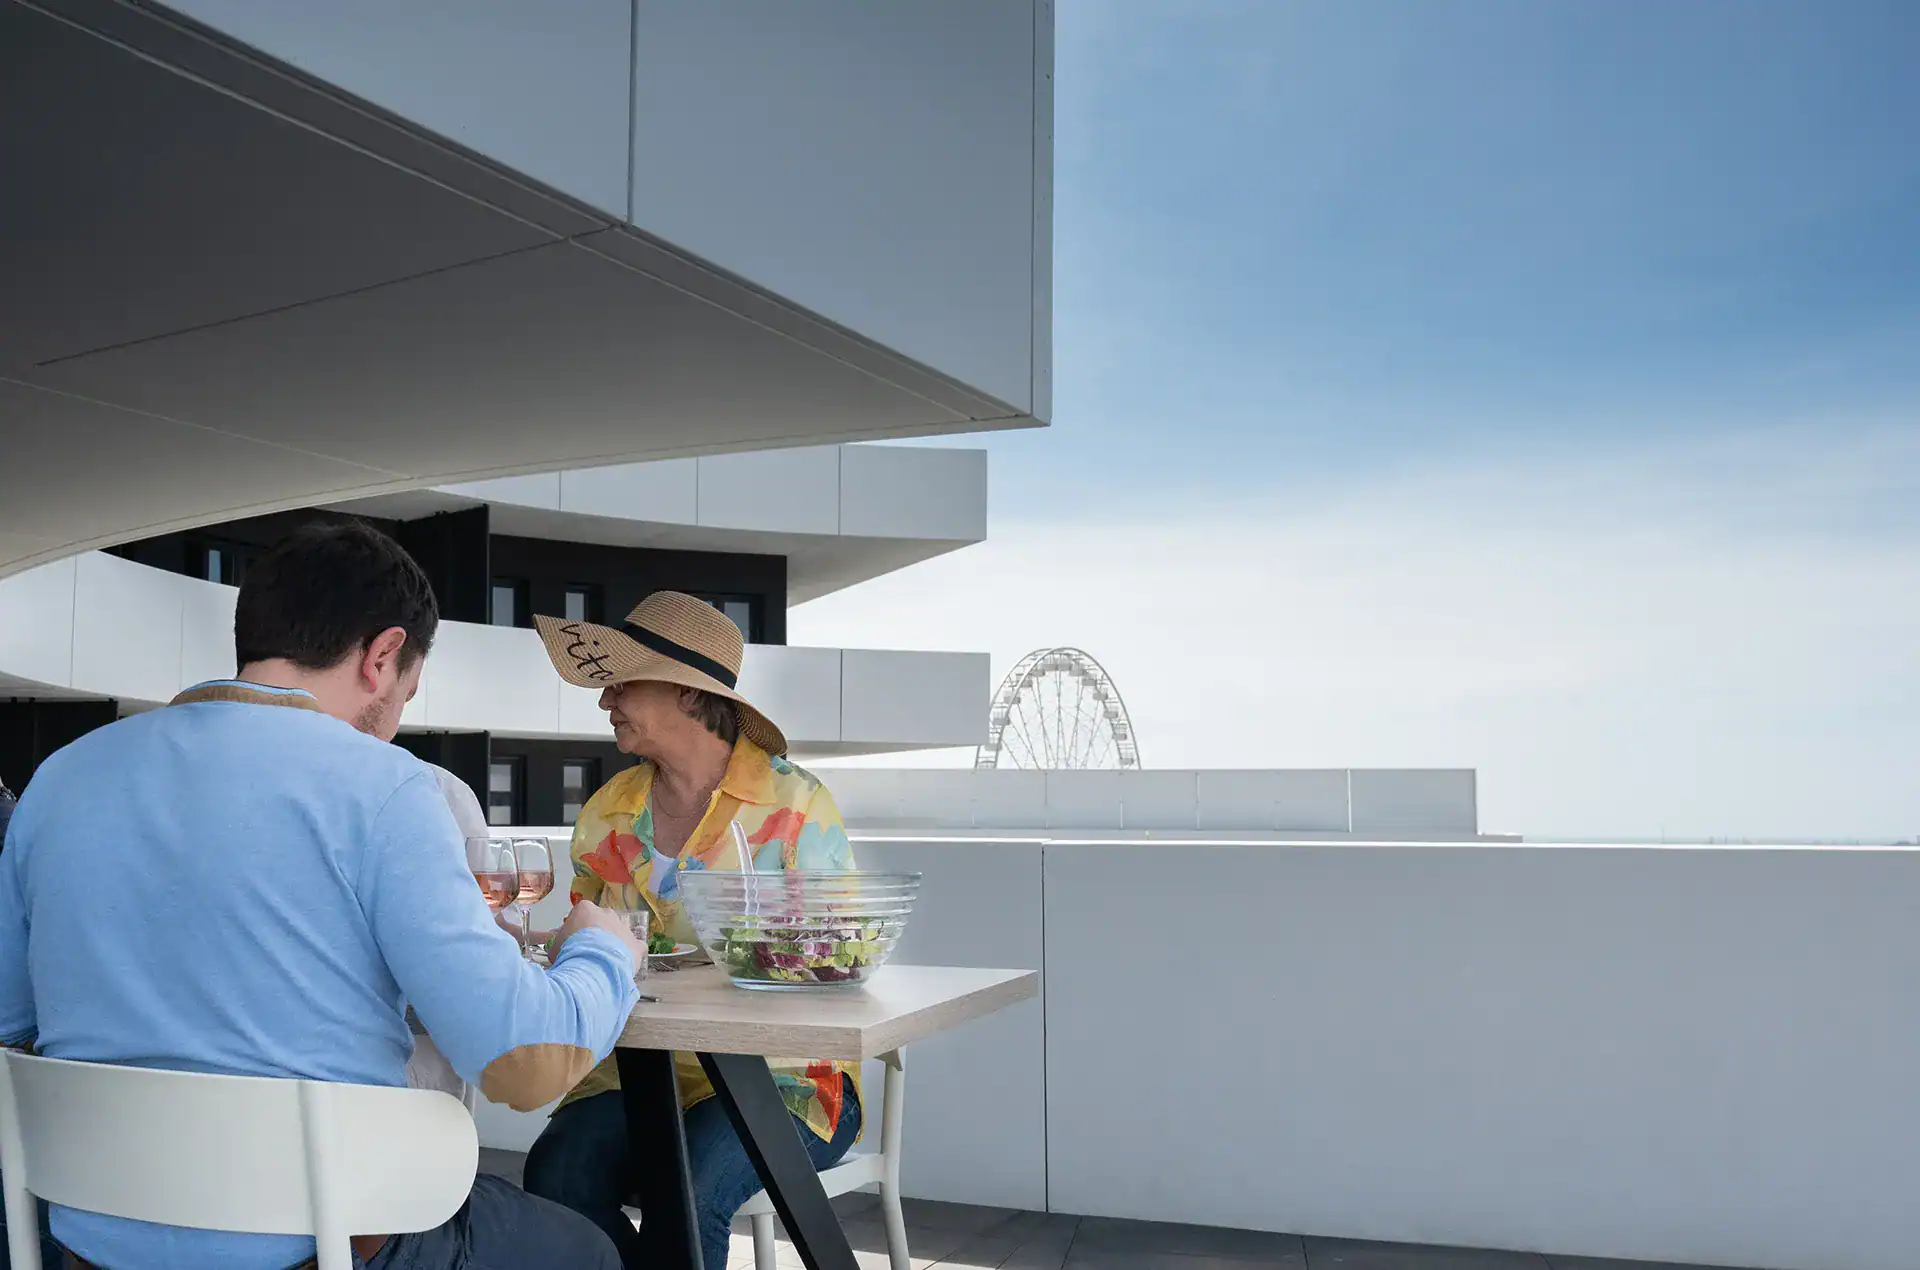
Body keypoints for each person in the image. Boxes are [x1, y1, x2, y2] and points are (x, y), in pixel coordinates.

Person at [0, 521, 647, 1270]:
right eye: (407, 687)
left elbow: (13, 1017)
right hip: (326, 1247)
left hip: (90, 1243)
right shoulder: (384, 785)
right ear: (381, 656)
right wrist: (604, 949)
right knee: (587, 1251)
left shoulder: (62, 778)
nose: (398, 715)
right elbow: (526, 1060)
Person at [521, 591, 862, 1270]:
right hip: (638, 1076)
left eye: (620, 682)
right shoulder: (606, 812)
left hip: (787, 1082)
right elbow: (588, 946)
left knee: (692, 1190)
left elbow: (835, 961)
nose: (603, 701)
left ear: (683, 692)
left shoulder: (797, 805)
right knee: (555, 1178)